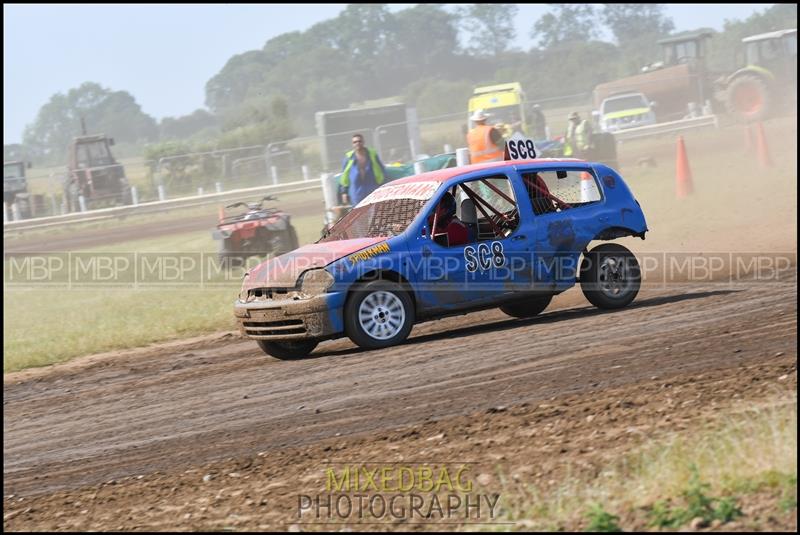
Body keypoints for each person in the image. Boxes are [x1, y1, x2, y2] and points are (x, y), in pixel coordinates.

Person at [339, 133, 387, 206]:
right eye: (355, 142)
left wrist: (384, 186)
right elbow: (344, 176)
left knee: (374, 212)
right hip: (356, 191)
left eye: (359, 141)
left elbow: (382, 170)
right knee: (359, 214)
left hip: (372, 188)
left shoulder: (372, 154)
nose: (357, 143)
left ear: (363, 142)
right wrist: (344, 192)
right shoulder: (349, 158)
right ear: (352, 144)